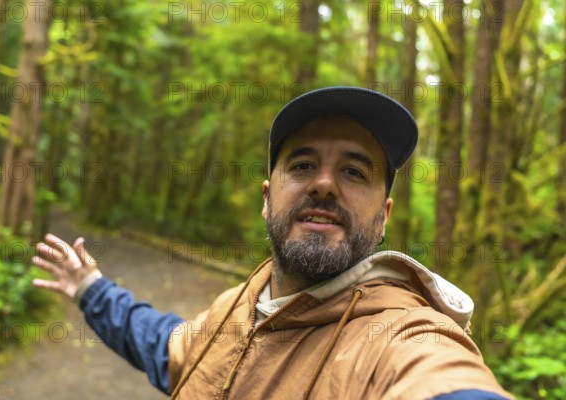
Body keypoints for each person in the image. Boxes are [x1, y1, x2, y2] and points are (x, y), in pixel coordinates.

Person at [32, 87, 512, 399]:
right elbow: (167, 348)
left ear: (383, 216)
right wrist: (91, 288)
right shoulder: (237, 304)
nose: (324, 184)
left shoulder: (403, 338)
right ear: (267, 199)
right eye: (302, 165)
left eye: (353, 170)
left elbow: (442, 380)